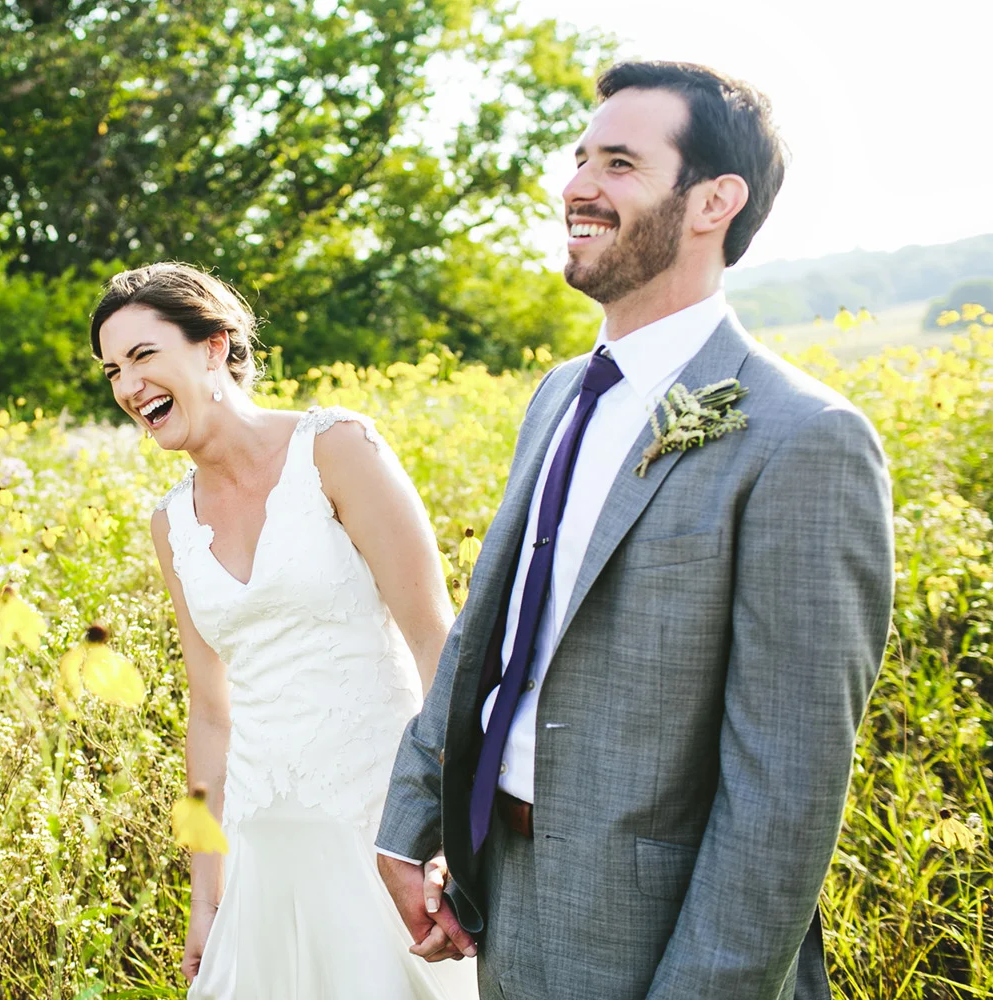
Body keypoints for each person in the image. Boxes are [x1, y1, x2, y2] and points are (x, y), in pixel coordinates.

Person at [376, 61, 895, 999]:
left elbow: (786, 790)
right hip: (504, 895)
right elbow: (492, 635)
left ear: (713, 202)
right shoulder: (558, 396)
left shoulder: (804, 438)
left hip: (663, 938)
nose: (577, 186)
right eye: (580, 159)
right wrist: (412, 821)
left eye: (619, 163)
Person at [91, 262, 477, 998]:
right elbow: (210, 712)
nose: (127, 387)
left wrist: (448, 833)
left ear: (212, 346)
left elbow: (436, 641)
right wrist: (207, 900)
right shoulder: (171, 523)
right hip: (265, 848)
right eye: (112, 370)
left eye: (143, 356)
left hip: (382, 828)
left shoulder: (336, 449)